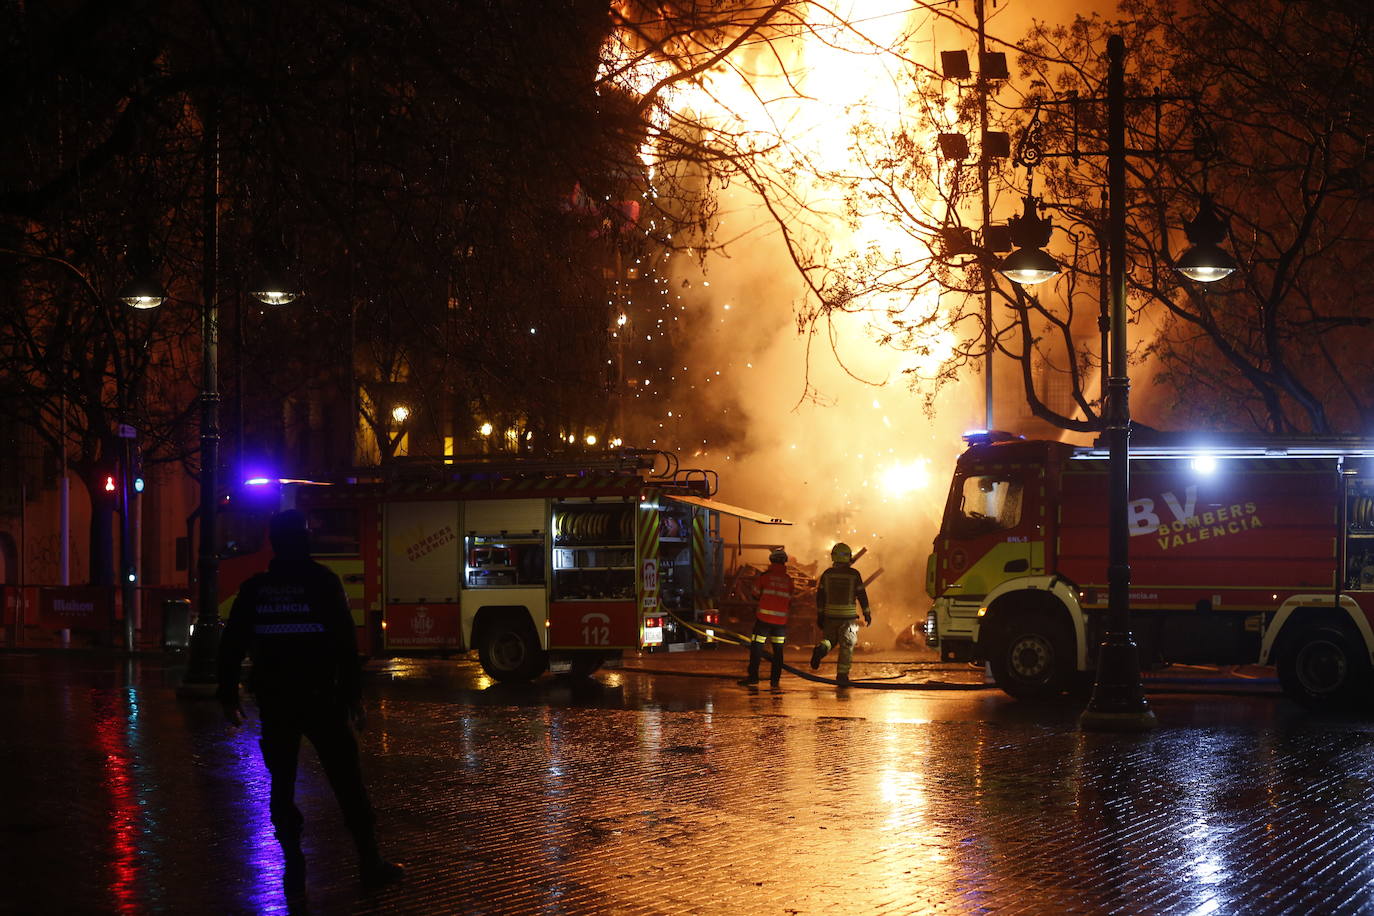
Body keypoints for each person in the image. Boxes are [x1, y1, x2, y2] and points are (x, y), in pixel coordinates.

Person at [217, 509, 403, 899]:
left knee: (281, 785)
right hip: (323, 700)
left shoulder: (254, 590)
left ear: (273, 542)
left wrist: (228, 695)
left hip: (276, 702)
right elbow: (345, 645)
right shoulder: (323, 583)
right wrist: (353, 698)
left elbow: (232, 645)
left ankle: (293, 860)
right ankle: (369, 862)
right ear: (304, 541)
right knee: (348, 783)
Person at [809, 542, 871, 686]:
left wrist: (820, 615)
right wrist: (867, 613)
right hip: (848, 618)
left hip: (830, 616)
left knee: (829, 640)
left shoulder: (827, 574)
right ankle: (842, 675)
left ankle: (821, 649)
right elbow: (862, 595)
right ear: (848, 557)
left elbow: (820, 597)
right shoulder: (854, 575)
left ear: (833, 557)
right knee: (847, 645)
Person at [738, 548, 795, 687]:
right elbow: (791, 598)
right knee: (778, 651)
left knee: (757, 648)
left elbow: (755, 593)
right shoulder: (788, 580)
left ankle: (753, 677)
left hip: (763, 620)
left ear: (771, 560)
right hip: (780, 623)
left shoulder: (765, 577)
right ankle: (775, 681)